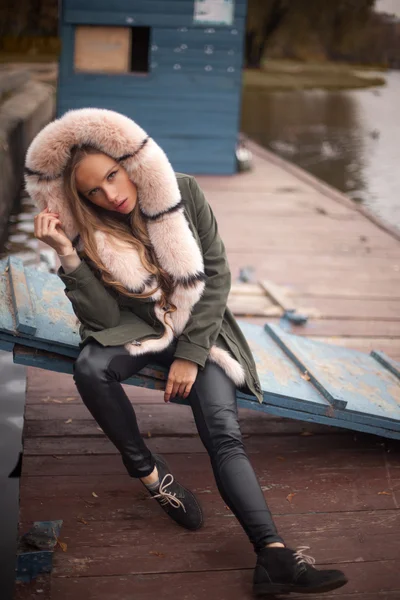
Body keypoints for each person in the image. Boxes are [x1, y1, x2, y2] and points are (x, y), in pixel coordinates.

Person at [26, 108, 347, 596]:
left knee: (224, 433)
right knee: (89, 365)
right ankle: (152, 476)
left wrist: (192, 353)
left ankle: (273, 556)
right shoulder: (85, 229)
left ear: (129, 160)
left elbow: (215, 276)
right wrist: (67, 254)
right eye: (94, 190)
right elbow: (104, 324)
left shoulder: (180, 192)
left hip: (202, 328)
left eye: (112, 176)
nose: (110, 195)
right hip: (138, 328)